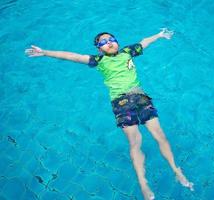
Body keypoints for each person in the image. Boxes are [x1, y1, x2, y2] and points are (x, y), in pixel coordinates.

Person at [25, 28, 194, 200]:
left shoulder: (128, 51)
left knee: (160, 135)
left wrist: (158, 35)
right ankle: (143, 184)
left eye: (111, 39)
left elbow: (144, 41)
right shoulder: (98, 60)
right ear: (99, 49)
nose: (109, 42)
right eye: (103, 42)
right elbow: (72, 56)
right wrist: (45, 52)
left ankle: (176, 170)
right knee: (135, 142)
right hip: (121, 104)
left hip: (141, 98)